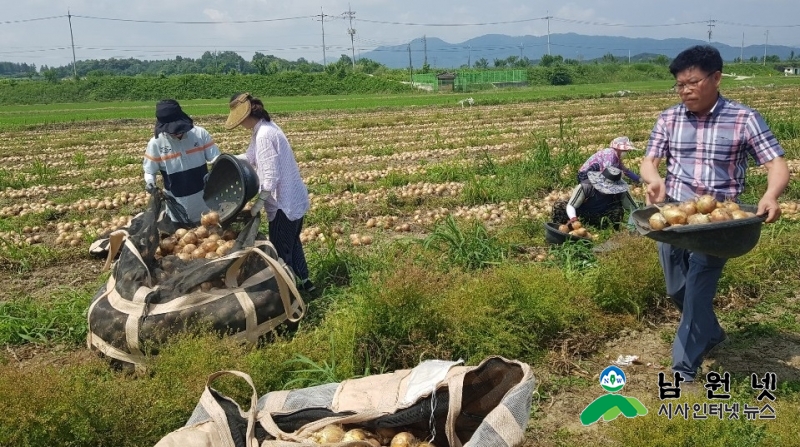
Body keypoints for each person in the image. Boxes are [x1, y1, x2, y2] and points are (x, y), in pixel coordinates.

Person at [640, 45, 789, 384]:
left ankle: (684, 370)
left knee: (696, 291)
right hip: (674, 216)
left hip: (718, 221)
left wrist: (770, 194)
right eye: (679, 85)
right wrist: (653, 180)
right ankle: (712, 332)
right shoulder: (669, 118)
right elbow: (649, 161)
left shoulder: (743, 118)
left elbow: (775, 163)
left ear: (716, 77)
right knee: (676, 289)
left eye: (692, 82)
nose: (685, 90)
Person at [225, 92, 315, 292]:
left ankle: (290, 295)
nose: (241, 125)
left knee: (281, 250)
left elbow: (271, 177)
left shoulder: (264, 134)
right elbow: (250, 156)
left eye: (241, 121)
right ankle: (305, 282)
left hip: (284, 203)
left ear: (248, 116)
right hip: (293, 197)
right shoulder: (265, 128)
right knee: (293, 243)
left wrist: (258, 204)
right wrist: (227, 159)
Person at [142, 99, 220, 224]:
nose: (177, 134)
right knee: (181, 234)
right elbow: (149, 171)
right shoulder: (156, 143)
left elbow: (216, 158)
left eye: (180, 129)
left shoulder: (200, 134)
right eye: (172, 131)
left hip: (204, 199)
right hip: (177, 203)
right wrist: (150, 182)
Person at [552, 166, 638, 230]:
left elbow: (633, 209)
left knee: (617, 210)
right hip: (581, 212)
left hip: (601, 216)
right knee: (559, 205)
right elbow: (571, 206)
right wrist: (574, 219)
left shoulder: (621, 192)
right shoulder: (586, 187)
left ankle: (611, 229)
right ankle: (562, 227)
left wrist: (631, 228)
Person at [577, 136, 641, 185]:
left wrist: (638, 179)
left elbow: (625, 170)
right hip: (585, 176)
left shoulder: (617, 158)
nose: (626, 152)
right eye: (625, 150)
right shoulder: (610, 154)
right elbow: (607, 173)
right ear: (618, 149)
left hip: (595, 175)